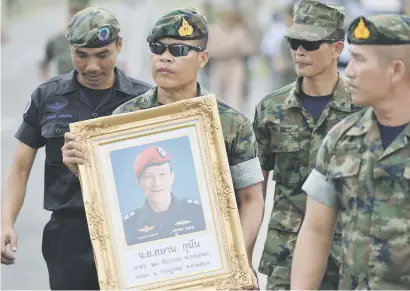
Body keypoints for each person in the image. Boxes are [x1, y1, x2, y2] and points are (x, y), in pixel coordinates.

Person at [62, 8, 264, 276]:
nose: (165, 58)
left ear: (203, 58)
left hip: (208, 267)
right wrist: (81, 167)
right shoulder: (123, 119)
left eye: (178, 51)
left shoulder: (231, 123)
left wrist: (238, 258)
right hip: (144, 268)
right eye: (158, 49)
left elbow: (251, 199)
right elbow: (110, 197)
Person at [1, 7, 151, 290]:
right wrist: (6, 222)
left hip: (131, 228)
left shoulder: (143, 99)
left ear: (119, 46)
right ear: (70, 49)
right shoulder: (47, 97)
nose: (92, 66)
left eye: (102, 55)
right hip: (68, 235)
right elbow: (20, 169)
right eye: (81, 55)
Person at [291, 15, 410, 290]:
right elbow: (315, 231)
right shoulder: (341, 139)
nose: (350, 71)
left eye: (359, 60)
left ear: (395, 71)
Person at [252, 1, 362, 289]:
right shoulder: (270, 110)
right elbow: (254, 192)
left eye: (310, 44)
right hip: (285, 256)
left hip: (348, 257)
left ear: (337, 48)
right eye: (295, 42)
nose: (299, 51)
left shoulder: (363, 108)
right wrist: (243, 256)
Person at [123, 146, 206, 245]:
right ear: (139, 182)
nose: (156, 183)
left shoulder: (198, 213)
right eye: (149, 176)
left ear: (172, 177)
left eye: (162, 174)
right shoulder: (127, 227)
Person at [207, 5, 256, 111]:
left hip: (236, 65)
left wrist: (228, 48)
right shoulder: (213, 30)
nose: (228, 21)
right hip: (218, 65)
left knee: (235, 93)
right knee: (217, 93)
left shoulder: (240, 30)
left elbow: (248, 49)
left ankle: (234, 119)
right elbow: (210, 50)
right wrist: (231, 48)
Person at [39, 0, 90, 79]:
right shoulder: (57, 40)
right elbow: (45, 63)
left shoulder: (98, 37)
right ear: (69, 12)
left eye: (82, 10)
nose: (78, 15)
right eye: (75, 10)